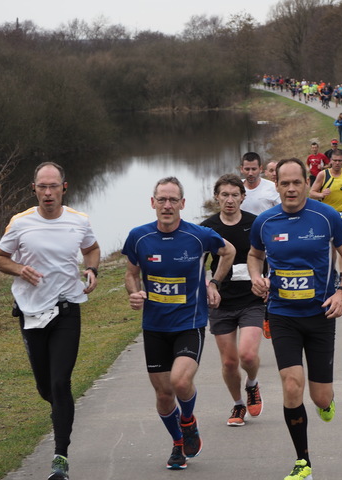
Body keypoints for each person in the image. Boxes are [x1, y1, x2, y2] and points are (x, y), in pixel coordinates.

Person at [248, 158, 342, 480]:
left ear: (307, 183)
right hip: (283, 315)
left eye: (297, 182)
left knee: (319, 395)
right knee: (291, 384)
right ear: (277, 185)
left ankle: (327, 402)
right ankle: (303, 462)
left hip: (321, 314)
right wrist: (257, 277)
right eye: (285, 183)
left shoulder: (326, 217)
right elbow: (254, 255)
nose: (292, 189)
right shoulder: (265, 222)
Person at [0, 161, 100, 480]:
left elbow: (92, 249)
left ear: (64, 188)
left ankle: (60, 457)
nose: (49, 192)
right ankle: (62, 412)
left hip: (67, 309)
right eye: (43, 187)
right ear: (34, 190)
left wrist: (92, 269)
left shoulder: (78, 221)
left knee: (60, 381)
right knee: (45, 387)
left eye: (54, 186)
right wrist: (19, 269)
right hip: (31, 311)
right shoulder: (21, 223)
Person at [122, 176, 236, 470]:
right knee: (163, 395)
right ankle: (177, 444)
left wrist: (214, 283)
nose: (167, 205)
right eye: (162, 200)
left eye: (173, 200)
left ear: (183, 204)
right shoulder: (139, 237)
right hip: (155, 326)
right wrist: (135, 293)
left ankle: (188, 420)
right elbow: (131, 273)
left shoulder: (199, 235)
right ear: (153, 203)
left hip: (190, 322)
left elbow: (229, 251)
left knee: (180, 381)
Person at [201, 174, 265, 427]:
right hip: (221, 301)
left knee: (247, 356)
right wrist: (207, 287)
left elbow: (266, 256)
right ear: (216, 197)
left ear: (243, 197)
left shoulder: (256, 224)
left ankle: (252, 384)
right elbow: (198, 263)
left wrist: (265, 280)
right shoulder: (207, 228)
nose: (229, 200)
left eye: (234, 195)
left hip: (251, 299)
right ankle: (238, 404)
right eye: (224, 195)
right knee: (229, 362)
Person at [309, 150, 342, 282]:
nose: (337, 163)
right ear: (330, 161)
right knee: (331, 247)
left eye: (340, 161)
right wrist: (321, 195)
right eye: (335, 160)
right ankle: (333, 273)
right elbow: (311, 193)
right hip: (327, 215)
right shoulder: (323, 175)